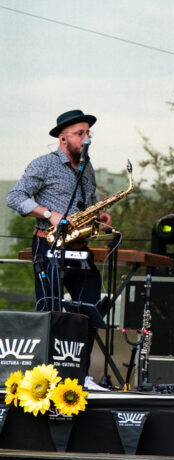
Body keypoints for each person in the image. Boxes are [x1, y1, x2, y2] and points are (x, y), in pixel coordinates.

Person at [6, 109, 112, 375]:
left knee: (89, 310)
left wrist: (98, 216)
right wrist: (48, 213)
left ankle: (82, 376)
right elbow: (15, 197)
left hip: (79, 248)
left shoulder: (87, 167)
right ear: (63, 138)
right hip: (49, 245)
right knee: (50, 312)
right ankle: (46, 374)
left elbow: (85, 204)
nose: (86, 139)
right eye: (80, 134)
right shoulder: (43, 164)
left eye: (88, 133)